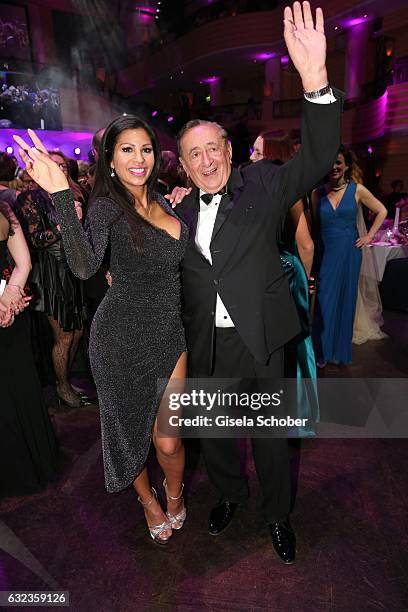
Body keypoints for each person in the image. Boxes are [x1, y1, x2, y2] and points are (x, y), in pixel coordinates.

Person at [174, 1, 342, 564]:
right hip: (208, 342)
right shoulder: (173, 212)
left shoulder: (265, 184)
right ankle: (226, 495)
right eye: (192, 154)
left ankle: (276, 514)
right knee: (217, 438)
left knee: (270, 439)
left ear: (228, 150)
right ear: (184, 166)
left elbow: (317, 158)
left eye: (211, 149)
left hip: (261, 337)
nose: (204, 161)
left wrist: (314, 80)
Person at [14, 116, 188, 545]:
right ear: (109, 158)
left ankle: (176, 492)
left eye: (145, 149)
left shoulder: (167, 201)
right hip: (119, 338)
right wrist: (58, 193)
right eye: (126, 149)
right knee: (127, 435)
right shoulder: (108, 208)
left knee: (168, 441)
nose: (138, 158)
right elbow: (84, 266)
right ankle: (148, 502)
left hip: (168, 333)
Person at [250, 130, 318, 435]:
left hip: (283, 273)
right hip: (286, 272)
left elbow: (306, 244)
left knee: (288, 344)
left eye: (256, 152)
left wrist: (303, 278)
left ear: (271, 154)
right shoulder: (276, 185)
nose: (251, 157)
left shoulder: (277, 187)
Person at [0, 202, 59, 497]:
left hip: (8, 311)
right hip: (11, 312)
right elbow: (23, 264)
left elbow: (24, 263)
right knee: (20, 388)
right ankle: (34, 465)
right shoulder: (4, 209)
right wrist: (10, 295)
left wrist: (7, 298)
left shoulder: (5, 210)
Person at [311, 145, 387, 365]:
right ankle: (322, 352)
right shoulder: (318, 193)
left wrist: (369, 236)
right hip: (326, 252)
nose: (334, 167)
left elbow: (382, 210)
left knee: (345, 300)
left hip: (349, 253)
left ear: (346, 166)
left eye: (338, 162)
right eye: (330, 163)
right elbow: (315, 227)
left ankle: (339, 353)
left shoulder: (358, 190)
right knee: (324, 303)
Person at [14, 187, 87, 407]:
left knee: (78, 333)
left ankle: (65, 380)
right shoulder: (30, 198)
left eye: (63, 166)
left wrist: (81, 220)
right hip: (51, 274)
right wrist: (66, 222)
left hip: (75, 271)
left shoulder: (72, 194)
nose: (59, 169)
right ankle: (62, 386)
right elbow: (36, 240)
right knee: (64, 336)